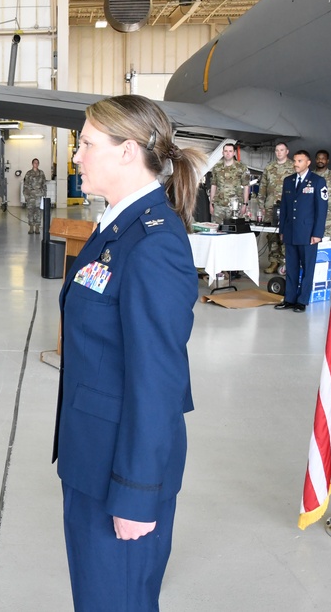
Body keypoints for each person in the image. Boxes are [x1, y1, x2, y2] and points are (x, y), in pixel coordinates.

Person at [55, 95, 202, 610]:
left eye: (87, 144)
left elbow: (157, 381)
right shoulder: (117, 227)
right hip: (92, 458)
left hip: (121, 473)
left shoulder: (154, 243)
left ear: (127, 152)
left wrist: (137, 494)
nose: (76, 156)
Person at [276, 150, 328, 313]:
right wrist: (283, 230)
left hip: (308, 233)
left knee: (307, 267)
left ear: (308, 163)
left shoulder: (318, 182)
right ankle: (289, 298)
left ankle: (302, 300)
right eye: (295, 161)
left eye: (299, 161)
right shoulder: (288, 181)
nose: (295, 164)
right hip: (291, 231)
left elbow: (322, 210)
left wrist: (317, 233)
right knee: (291, 267)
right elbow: (284, 207)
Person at [257, 142, 295, 272]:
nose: (279, 153)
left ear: (287, 151)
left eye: (282, 150)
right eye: (277, 150)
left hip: (288, 206)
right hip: (270, 206)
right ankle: (273, 261)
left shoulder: (293, 167)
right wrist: (261, 204)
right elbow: (263, 187)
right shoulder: (269, 167)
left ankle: (285, 261)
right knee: (272, 235)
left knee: (285, 234)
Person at [209, 143, 250, 224]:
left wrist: (245, 204)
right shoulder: (217, 167)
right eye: (226, 151)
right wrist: (211, 203)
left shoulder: (241, 167)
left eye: (230, 151)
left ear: (234, 153)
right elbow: (213, 185)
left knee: (234, 231)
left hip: (235, 205)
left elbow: (246, 187)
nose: (228, 153)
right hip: (219, 206)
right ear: (222, 153)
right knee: (217, 229)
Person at [23, 157, 48, 234]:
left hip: (39, 196)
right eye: (34, 163)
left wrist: (44, 194)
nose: (36, 164)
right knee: (30, 212)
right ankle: (31, 228)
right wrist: (26, 196)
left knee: (38, 212)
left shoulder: (41, 173)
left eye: (37, 163)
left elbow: (44, 184)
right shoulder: (28, 173)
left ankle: (37, 227)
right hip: (30, 196)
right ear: (32, 164)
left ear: (38, 164)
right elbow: (25, 185)